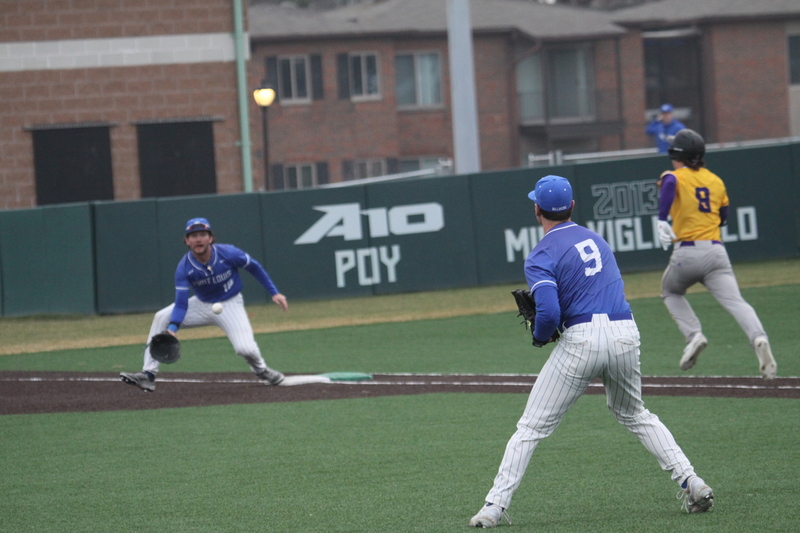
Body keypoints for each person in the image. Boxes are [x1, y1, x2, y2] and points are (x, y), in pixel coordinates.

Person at [468, 175, 713, 528]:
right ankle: (692, 481)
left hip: (582, 339)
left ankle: (494, 506)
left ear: (537, 210)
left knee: (530, 428)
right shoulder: (597, 240)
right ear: (571, 207)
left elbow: (549, 313)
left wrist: (540, 336)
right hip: (625, 331)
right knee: (635, 414)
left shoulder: (541, 254)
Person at [656, 129, 777, 379]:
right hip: (716, 252)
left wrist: (661, 219)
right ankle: (759, 337)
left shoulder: (674, 175)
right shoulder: (715, 180)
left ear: (675, 154)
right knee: (736, 302)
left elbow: (669, 183)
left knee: (670, 291)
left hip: (687, 252)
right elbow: (723, 217)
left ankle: (694, 335)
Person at [120, 217, 288, 392]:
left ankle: (261, 370)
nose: (198, 239)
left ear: (210, 238)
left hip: (230, 304)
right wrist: (172, 329)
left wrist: (274, 292)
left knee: (245, 349)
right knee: (161, 317)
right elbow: (181, 303)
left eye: (202, 234)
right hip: (201, 304)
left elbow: (254, 267)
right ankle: (148, 374)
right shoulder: (184, 268)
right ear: (186, 241)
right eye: (192, 236)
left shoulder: (228, 253)